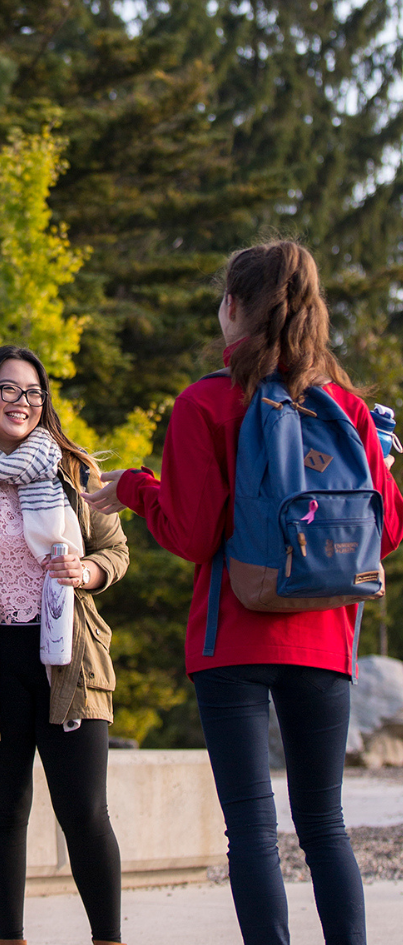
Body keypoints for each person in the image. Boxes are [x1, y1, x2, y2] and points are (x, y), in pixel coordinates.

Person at [84, 240, 403, 945]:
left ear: (233, 307)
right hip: (323, 638)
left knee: (253, 829)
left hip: (230, 640)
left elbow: (195, 535)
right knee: (325, 826)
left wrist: (136, 488)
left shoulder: (205, 402)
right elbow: (388, 529)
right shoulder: (347, 408)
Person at [0, 345, 129, 945]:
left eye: (33, 392)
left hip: (71, 658)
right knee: (3, 812)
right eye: (7, 390)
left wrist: (86, 573)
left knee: (85, 813)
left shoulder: (70, 470)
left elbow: (114, 553)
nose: (22, 403)